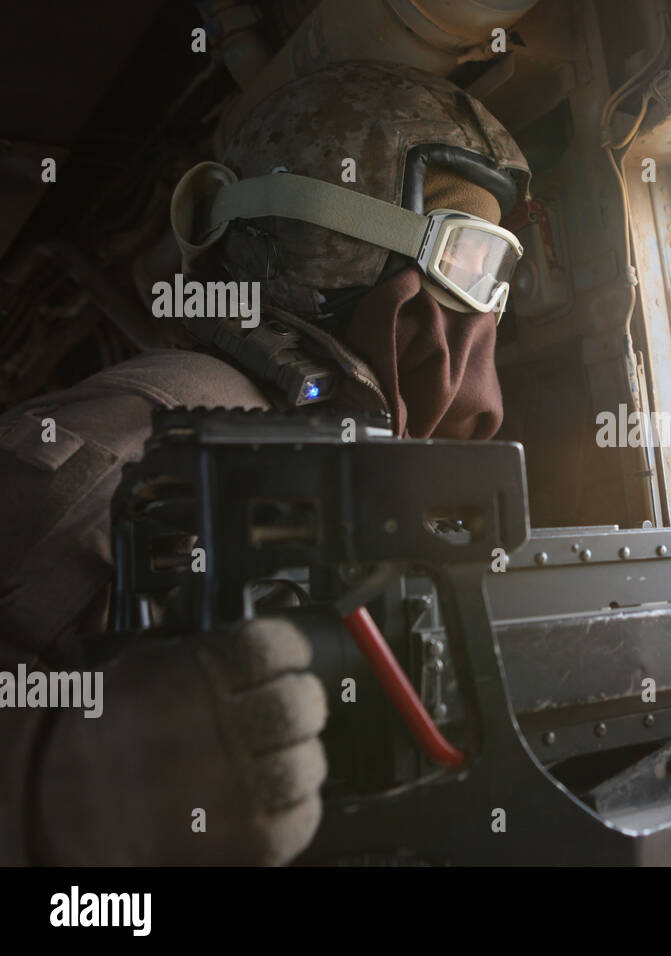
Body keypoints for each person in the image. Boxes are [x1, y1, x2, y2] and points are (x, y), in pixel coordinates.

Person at [0, 62, 530, 865]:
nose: (488, 306)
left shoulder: (369, 466)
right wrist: (53, 794)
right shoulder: (144, 425)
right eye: (471, 260)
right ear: (342, 248)